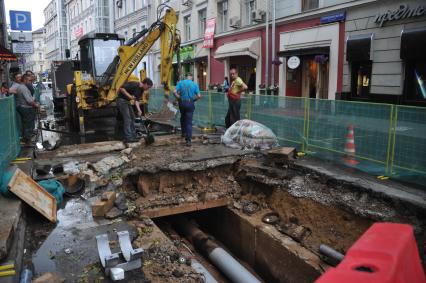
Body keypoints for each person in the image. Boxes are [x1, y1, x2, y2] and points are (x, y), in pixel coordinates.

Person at [117, 77, 153, 142]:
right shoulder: (134, 84)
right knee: (127, 118)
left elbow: (137, 101)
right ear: (145, 84)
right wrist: (129, 96)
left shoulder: (141, 90)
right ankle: (128, 137)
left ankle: (133, 136)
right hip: (121, 100)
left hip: (127, 101)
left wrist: (139, 110)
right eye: (148, 87)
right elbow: (121, 88)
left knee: (133, 117)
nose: (148, 89)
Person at [173, 73, 201, 146]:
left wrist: (178, 97)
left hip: (182, 103)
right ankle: (188, 140)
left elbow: (174, 92)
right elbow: (199, 96)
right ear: (191, 78)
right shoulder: (194, 84)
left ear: (186, 77)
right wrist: (193, 100)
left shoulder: (180, 83)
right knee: (189, 121)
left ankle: (183, 133)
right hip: (190, 103)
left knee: (182, 117)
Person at [10, 73, 39, 142]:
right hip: (26, 108)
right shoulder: (23, 88)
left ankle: (26, 137)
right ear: (25, 80)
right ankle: (27, 138)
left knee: (26, 123)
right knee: (27, 124)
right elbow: (29, 100)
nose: (30, 82)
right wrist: (35, 104)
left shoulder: (22, 87)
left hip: (24, 107)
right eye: (29, 80)